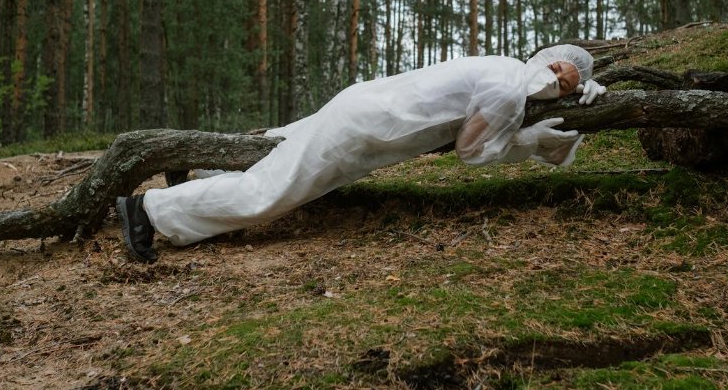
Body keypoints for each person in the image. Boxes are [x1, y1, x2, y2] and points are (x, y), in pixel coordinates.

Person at [116, 44, 608, 262]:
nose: (558, 83)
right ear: (548, 58)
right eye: (559, 72)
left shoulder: (504, 68)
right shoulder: (508, 93)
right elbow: (472, 152)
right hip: (364, 129)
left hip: (364, 107)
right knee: (270, 193)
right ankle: (149, 212)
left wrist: (582, 86)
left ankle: (197, 172)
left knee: (279, 146)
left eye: (568, 86)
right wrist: (534, 140)